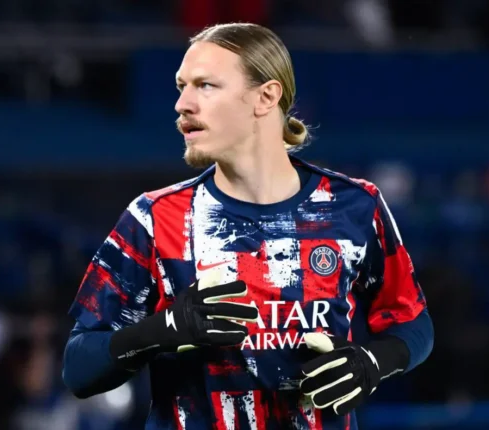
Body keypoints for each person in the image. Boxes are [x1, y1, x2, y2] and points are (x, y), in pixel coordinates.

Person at [62, 22, 434, 429]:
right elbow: (78, 368)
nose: (182, 104)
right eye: (181, 87)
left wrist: (372, 362)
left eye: (205, 85)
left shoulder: (355, 206)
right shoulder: (154, 217)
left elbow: (413, 323)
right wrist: (163, 330)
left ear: (266, 97)